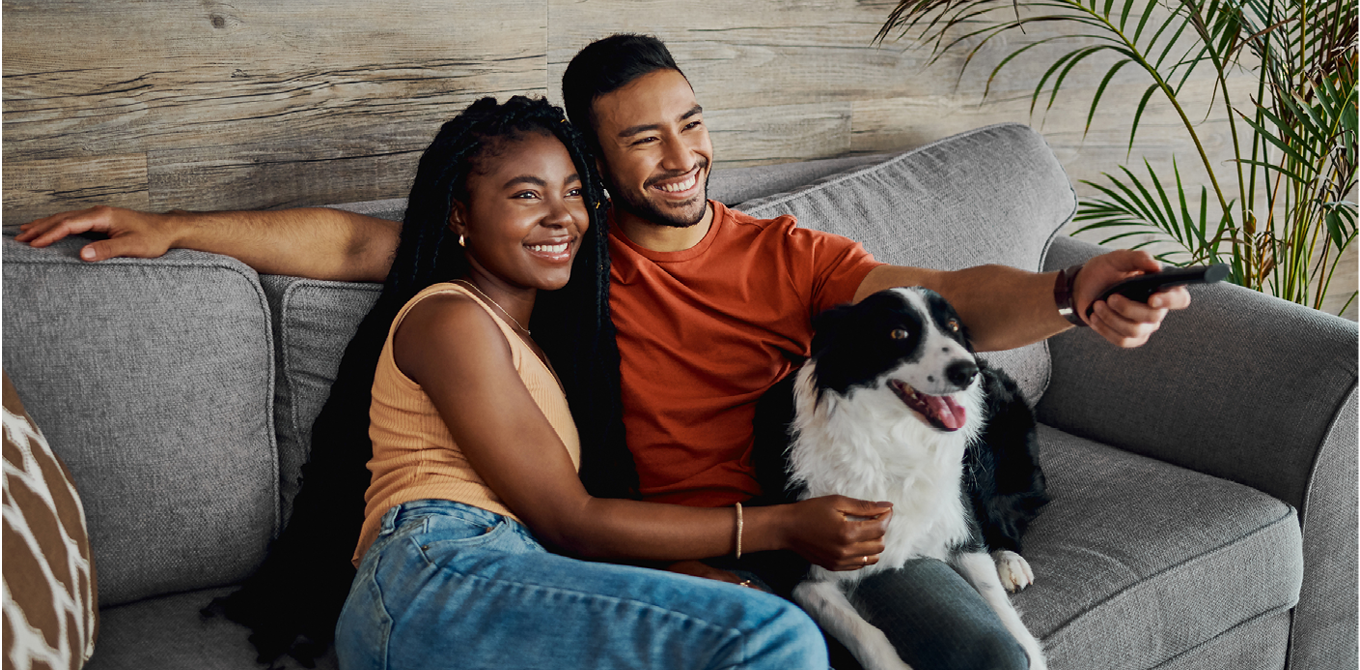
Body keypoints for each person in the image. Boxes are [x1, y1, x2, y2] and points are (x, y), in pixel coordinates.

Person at [19, 34, 1192, 669]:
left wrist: (1068, 289)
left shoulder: (784, 252)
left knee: (985, 656)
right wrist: (173, 228)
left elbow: (947, 302)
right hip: (676, 546)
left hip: (824, 525)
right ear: (597, 161)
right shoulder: (557, 265)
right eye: (642, 141)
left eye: (690, 123)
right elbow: (356, 238)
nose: (681, 157)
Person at [315, 94, 903, 669]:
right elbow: (570, 520)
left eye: (573, 192)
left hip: (514, 569)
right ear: (459, 215)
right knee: (773, 636)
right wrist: (784, 526)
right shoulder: (451, 318)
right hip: (437, 571)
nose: (561, 216)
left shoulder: (536, 341)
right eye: (527, 194)